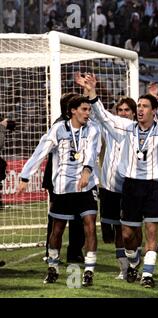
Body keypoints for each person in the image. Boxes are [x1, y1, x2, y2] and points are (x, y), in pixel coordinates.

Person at [78, 73, 158, 288]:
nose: (141, 109)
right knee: (127, 235)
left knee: (152, 231)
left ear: (154, 111)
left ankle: (147, 274)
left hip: (154, 187)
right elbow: (103, 115)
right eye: (139, 105)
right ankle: (135, 262)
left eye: (145, 106)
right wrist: (91, 92)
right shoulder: (126, 129)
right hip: (130, 186)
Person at [18, 94, 100, 287]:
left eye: (89, 110)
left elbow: (90, 152)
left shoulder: (93, 130)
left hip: (85, 187)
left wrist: (87, 172)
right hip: (63, 188)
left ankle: (89, 271)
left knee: (89, 225)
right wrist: (25, 176)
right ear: (73, 110)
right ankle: (53, 267)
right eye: (84, 109)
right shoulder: (58, 129)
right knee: (57, 229)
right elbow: (41, 152)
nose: (88, 113)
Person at [96, 97, 143, 280]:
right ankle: (124, 269)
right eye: (120, 110)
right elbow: (99, 115)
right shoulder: (109, 129)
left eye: (127, 110)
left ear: (133, 113)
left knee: (133, 229)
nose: (123, 113)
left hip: (131, 188)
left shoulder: (138, 133)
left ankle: (135, 263)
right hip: (109, 187)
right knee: (118, 230)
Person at [42, 93, 85, 264]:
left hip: (73, 177)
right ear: (71, 109)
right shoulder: (60, 125)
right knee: (58, 217)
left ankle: (72, 252)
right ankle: (57, 252)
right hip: (58, 178)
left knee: (75, 216)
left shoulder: (75, 124)